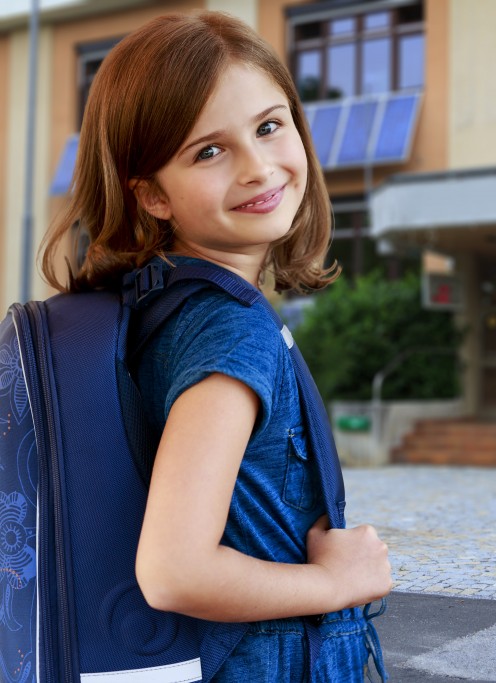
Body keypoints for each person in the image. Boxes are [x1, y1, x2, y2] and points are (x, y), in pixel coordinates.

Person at [39, 11, 392, 681]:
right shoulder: (228, 330)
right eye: (209, 151)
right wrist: (339, 582)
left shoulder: (156, 306)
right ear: (151, 194)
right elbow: (175, 570)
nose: (259, 168)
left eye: (268, 126)